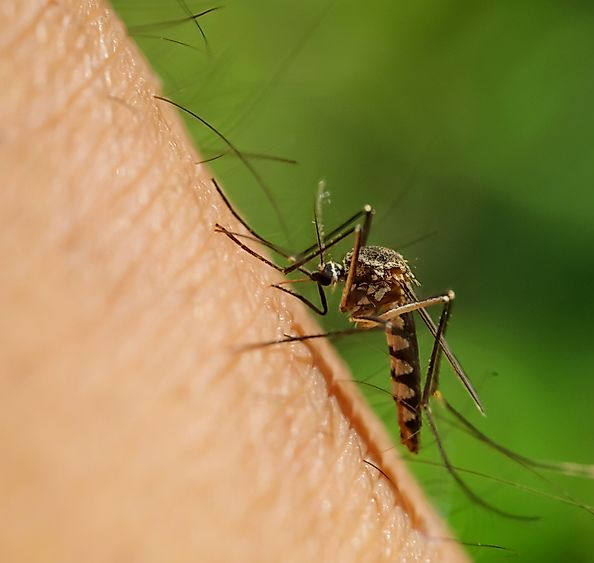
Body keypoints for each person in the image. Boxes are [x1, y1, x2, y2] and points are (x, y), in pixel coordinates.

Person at [0, 1, 466, 561]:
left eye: (331, 271)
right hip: (384, 298)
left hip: (403, 331)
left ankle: (429, 396)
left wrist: (306, 326)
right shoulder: (353, 272)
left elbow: (392, 296)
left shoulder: (370, 281)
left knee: (406, 290)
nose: (328, 279)